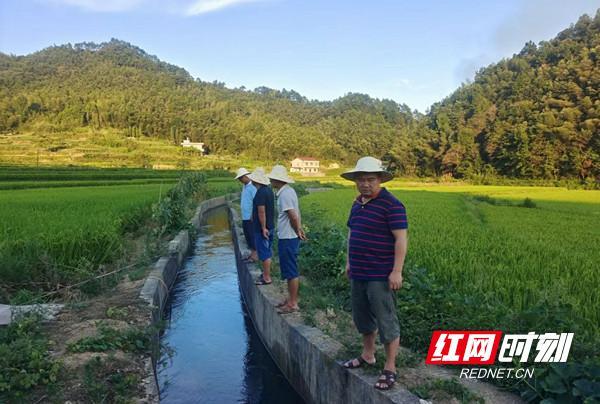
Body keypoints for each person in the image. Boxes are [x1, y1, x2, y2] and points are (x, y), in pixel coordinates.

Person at [340, 156, 408, 391]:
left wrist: (396, 271)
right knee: (362, 318)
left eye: (370, 179)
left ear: (379, 179)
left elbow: (401, 239)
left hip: (380, 274)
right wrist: (349, 261)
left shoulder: (392, 205)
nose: (365, 184)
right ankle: (368, 355)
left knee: (386, 320)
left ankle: (390, 367)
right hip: (359, 271)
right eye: (361, 180)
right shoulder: (357, 203)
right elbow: (352, 233)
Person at [267, 165, 306, 314]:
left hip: (288, 237)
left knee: (291, 271)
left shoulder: (284, 195)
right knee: (289, 271)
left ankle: (293, 303)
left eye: (272, 178)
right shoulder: (287, 191)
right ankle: (290, 299)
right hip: (288, 236)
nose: (270, 180)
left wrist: (297, 230)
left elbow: (293, 216)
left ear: (277, 180)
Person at [247, 168, 275, 285]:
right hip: (270, 226)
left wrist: (263, 228)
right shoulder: (268, 191)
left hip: (262, 229)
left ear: (256, 181)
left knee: (264, 253)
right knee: (267, 251)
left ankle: (267, 278)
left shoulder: (260, 193)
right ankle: (265, 274)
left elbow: (261, 211)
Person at [235, 167, 258, 262]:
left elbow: (256, 202)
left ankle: (255, 256)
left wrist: (253, 214)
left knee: (252, 236)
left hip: (250, 217)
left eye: (241, 178)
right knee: (248, 236)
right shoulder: (244, 186)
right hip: (245, 216)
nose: (240, 180)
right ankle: (252, 255)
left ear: (246, 176)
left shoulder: (253, 187)